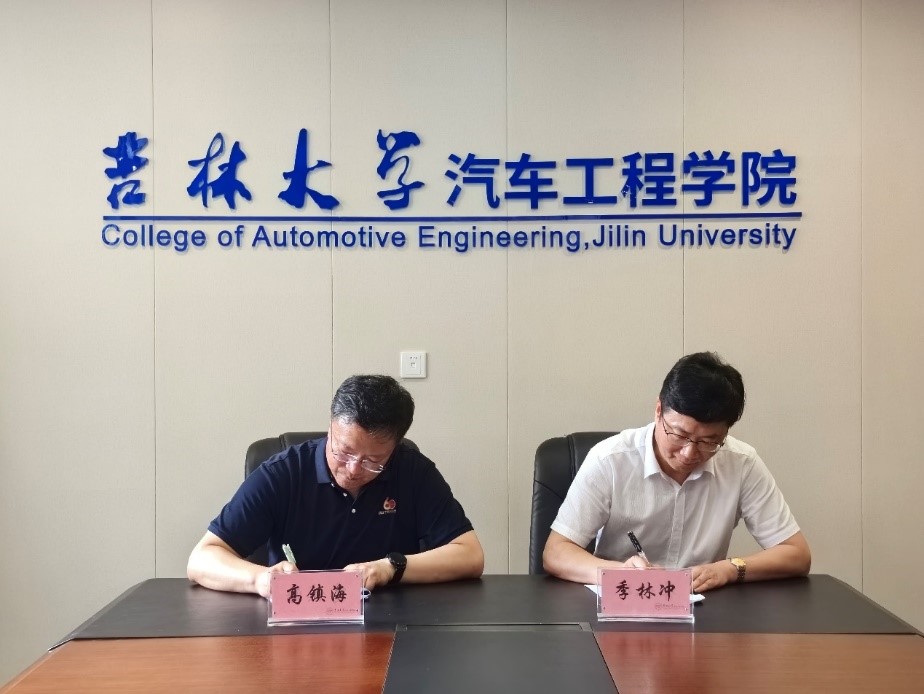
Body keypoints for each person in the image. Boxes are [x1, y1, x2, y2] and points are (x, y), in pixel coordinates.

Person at [188, 374, 484, 597]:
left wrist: (391, 567)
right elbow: (202, 560)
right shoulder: (283, 473)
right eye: (343, 452)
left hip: (391, 628)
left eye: (373, 461)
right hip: (296, 626)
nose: (353, 469)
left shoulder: (413, 471)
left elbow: (470, 555)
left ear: (394, 447)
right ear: (331, 427)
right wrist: (260, 579)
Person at [543, 352, 810, 593]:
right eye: (679, 435)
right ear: (659, 410)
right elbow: (556, 552)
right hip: (623, 605)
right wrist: (618, 573)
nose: (689, 453)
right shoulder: (610, 460)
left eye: (709, 441)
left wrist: (728, 569)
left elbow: (796, 554)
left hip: (704, 611)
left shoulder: (741, 463)